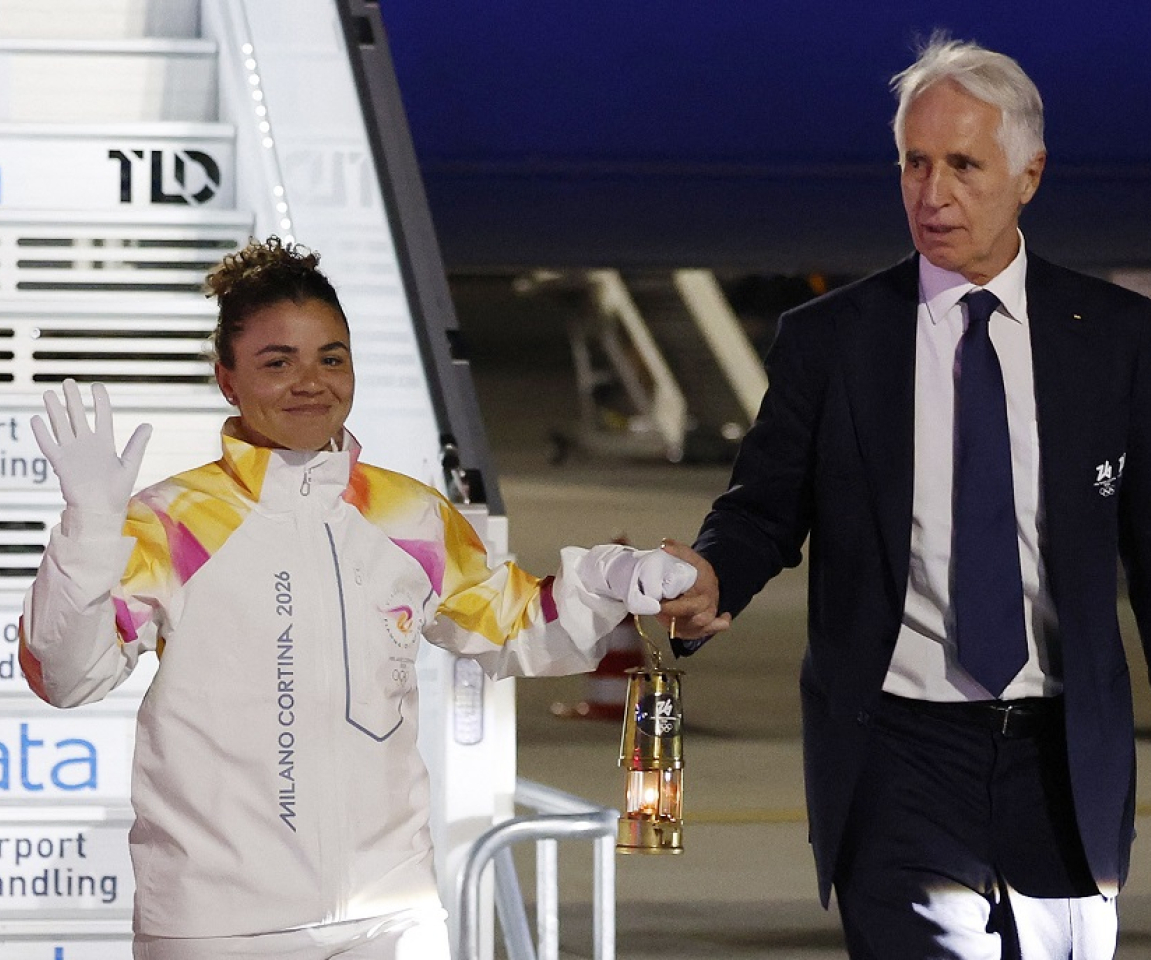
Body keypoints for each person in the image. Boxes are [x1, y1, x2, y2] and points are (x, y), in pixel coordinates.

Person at [658, 34, 1151, 960]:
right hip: (898, 759)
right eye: (915, 164)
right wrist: (710, 573)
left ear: (1029, 174)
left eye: (964, 165)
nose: (933, 195)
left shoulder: (1114, 338)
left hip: (1063, 764)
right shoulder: (833, 341)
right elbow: (763, 509)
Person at [19, 236, 695, 959]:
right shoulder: (173, 521)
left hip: (389, 913)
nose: (311, 382)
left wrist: (612, 578)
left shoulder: (407, 514)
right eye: (277, 362)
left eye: (331, 357)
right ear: (227, 378)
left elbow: (517, 626)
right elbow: (66, 676)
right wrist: (88, 530)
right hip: (218, 921)